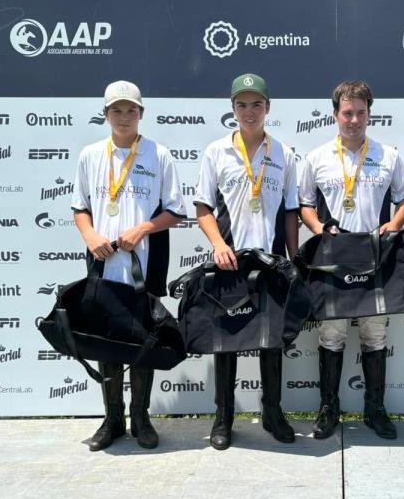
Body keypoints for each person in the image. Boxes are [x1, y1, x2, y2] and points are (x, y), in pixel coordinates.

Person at [71, 80, 187, 450]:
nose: (124, 116)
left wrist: (142, 228)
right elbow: (80, 208)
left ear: (141, 114)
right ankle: (113, 419)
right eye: (116, 110)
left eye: (131, 110)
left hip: (144, 267)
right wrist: (90, 237)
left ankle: (141, 418)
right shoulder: (91, 154)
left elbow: (175, 211)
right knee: (105, 343)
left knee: (142, 343)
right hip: (104, 267)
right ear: (105, 114)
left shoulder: (159, 154)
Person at [299, 80, 404, 440]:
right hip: (334, 256)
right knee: (331, 335)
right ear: (336, 115)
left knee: (374, 335)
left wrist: (393, 225)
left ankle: (375, 410)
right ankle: (328, 409)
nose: (353, 119)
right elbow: (304, 205)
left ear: (369, 114)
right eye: (347, 113)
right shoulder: (316, 158)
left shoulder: (388, 155)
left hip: (374, 255)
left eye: (360, 112)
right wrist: (318, 227)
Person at [194, 73, 299, 450]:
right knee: (227, 342)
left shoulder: (283, 153)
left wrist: (293, 259)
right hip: (229, 263)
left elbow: (291, 212)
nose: (249, 111)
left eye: (256, 104)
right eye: (242, 104)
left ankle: (272, 412)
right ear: (233, 109)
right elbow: (203, 207)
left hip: (270, 263)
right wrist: (218, 244)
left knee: (271, 341)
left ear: (267, 108)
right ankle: (223, 419)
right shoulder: (216, 152)